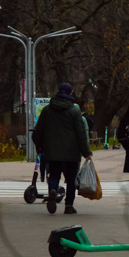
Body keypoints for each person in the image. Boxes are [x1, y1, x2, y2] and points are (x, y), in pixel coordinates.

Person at [31, 83, 93, 215]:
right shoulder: (75, 111)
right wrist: (86, 152)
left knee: (54, 175)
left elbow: (38, 132)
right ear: (70, 94)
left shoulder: (47, 110)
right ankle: (69, 206)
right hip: (71, 152)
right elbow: (80, 134)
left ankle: (53, 190)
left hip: (52, 152)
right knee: (71, 179)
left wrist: (40, 147)